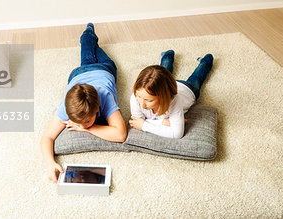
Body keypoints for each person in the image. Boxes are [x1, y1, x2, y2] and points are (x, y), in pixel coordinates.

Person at [40, 23, 127, 182]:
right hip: (78, 75)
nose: (83, 124)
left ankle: (88, 33)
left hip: (105, 69)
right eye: (78, 122)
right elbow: (47, 137)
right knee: (88, 57)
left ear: (98, 108)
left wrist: (89, 128)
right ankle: (89, 37)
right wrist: (50, 162)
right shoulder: (66, 107)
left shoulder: (105, 97)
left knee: (95, 56)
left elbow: (121, 134)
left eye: (88, 120)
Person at [129, 50, 213, 139]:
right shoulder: (136, 96)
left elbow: (177, 134)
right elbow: (136, 121)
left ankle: (206, 60)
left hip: (187, 89)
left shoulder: (173, 101)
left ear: (163, 97)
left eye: (148, 100)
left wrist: (144, 126)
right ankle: (168, 54)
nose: (142, 104)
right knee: (161, 73)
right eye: (139, 96)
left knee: (197, 78)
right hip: (164, 86)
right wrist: (162, 122)